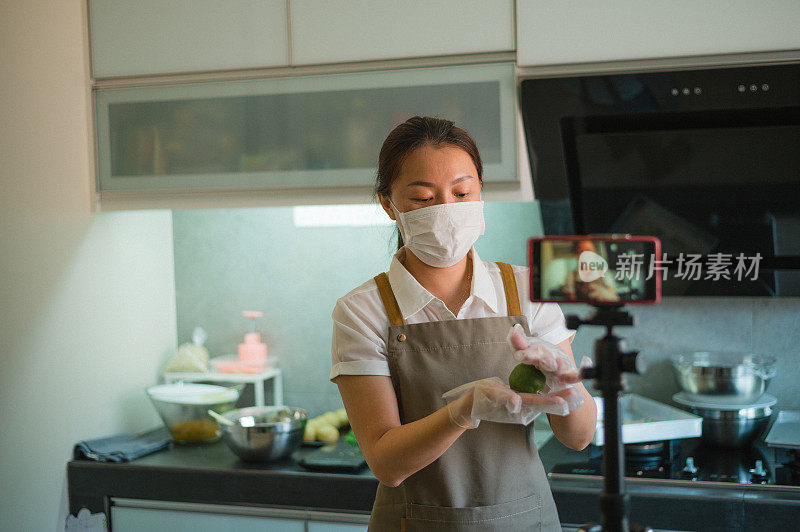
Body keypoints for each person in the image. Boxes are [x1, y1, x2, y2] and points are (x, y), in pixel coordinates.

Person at [330, 116, 597, 531]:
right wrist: (462, 411)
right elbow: (386, 463)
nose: (446, 212)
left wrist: (567, 386)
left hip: (525, 522)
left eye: (462, 192)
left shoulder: (527, 290)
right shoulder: (363, 311)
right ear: (389, 204)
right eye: (422, 198)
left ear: (479, 195)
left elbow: (579, 438)